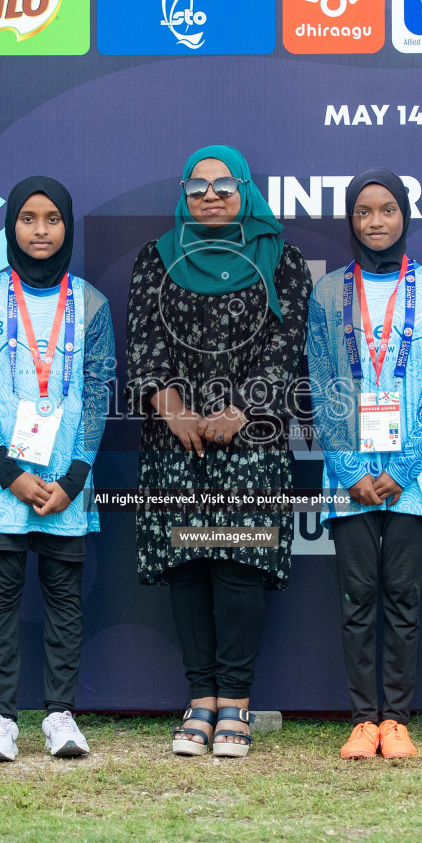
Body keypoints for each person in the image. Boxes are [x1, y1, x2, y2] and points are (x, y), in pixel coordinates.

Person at [126, 145, 313, 758]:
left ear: (246, 191)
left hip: (250, 439)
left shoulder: (282, 259)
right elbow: (145, 343)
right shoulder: (155, 259)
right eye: (197, 186)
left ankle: (235, 699)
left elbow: (287, 346)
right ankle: (200, 699)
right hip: (174, 439)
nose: (209, 195)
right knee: (189, 565)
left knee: (237, 564)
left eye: (223, 185)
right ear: (183, 193)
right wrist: (174, 409)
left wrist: (244, 410)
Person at [0, 177, 114, 763]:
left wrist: (74, 477)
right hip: (6, 484)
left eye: (52, 219)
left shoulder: (91, 303)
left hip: (68, 484)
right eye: (28, 218)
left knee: (64, 599)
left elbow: (99, 393)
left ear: (68, 225)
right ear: (11, 227)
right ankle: (1, 720)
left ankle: (59, 714)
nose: (41, 230)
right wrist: (7, 469)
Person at [305, 170, 422, 759]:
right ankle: (363, 719)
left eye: (387, 210)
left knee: (404, 597)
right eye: (364, 211)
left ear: (404, 216)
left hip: (410, 479)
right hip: (349, 478)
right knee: (357, 598)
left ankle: (397, 719)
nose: (375, 222)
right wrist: (349, 470)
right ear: (351, 221)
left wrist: (404, 466)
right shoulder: (327, 293)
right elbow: (320, 383)